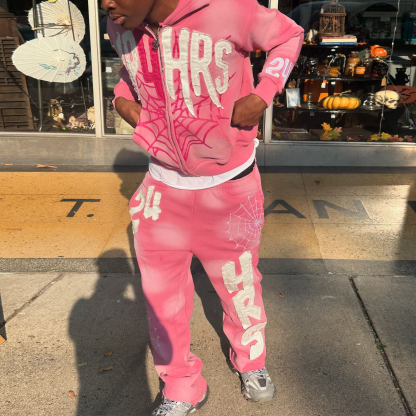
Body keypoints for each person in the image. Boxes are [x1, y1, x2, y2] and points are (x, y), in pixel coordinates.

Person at [102, 0, 303, 414]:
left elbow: (289, 36)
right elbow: (130, 71)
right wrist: (121, 101)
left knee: (239, 284)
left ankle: (251, 361)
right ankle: (181, 385)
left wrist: (264, 93)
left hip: (229, 189)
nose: (106, 2)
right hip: (161, 191)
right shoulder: (119, 22)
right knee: (163, 298)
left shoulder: (228, 8)